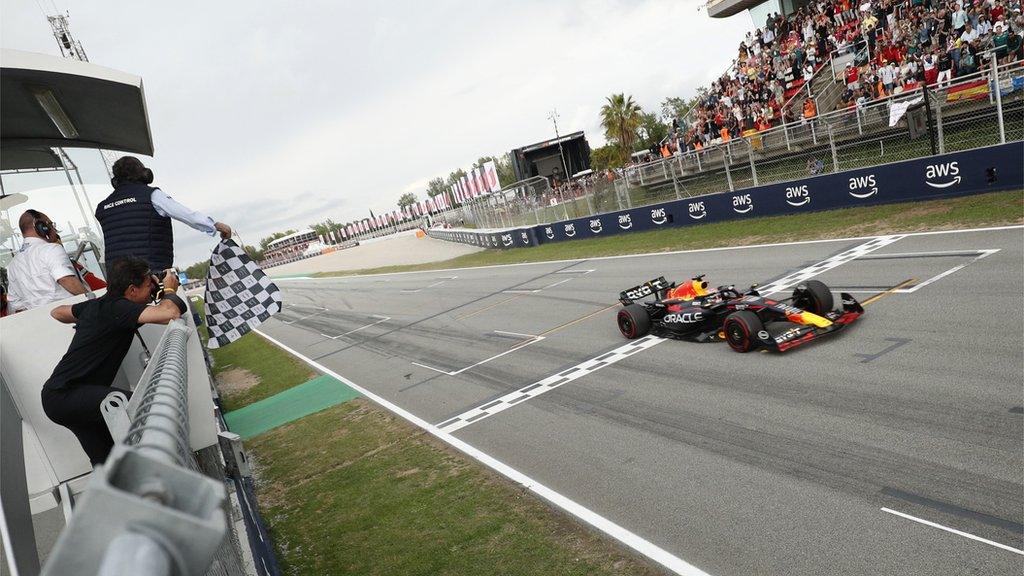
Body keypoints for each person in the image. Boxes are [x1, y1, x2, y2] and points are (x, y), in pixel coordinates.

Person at [41, 257, 186, 465]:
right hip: (68, 395)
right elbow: (170, 313)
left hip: (58, 396)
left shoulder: (99, 306)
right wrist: (170, 290)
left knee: (107, 463)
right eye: (147, 287)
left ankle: (116, 492)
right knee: (148, 406)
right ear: (132, 290)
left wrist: (87, 319)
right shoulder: (118, 308)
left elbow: (58, 312)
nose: (151, 291)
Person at [95, 156, 232, 272]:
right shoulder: (152, 195)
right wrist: (214, 225)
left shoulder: (102, 208)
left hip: (118, 281)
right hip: (149, 274)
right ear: (144, 174)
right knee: (168, 304)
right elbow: (186, 215)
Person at [6, 209, 88, 313]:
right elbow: (65, 279)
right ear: (40, 226)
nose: (53, 228)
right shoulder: (51, 249)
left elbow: (16, 305)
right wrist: (94, 301)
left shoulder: (12, 265)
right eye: (50, 224)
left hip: (41, 324)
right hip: (69, 316)